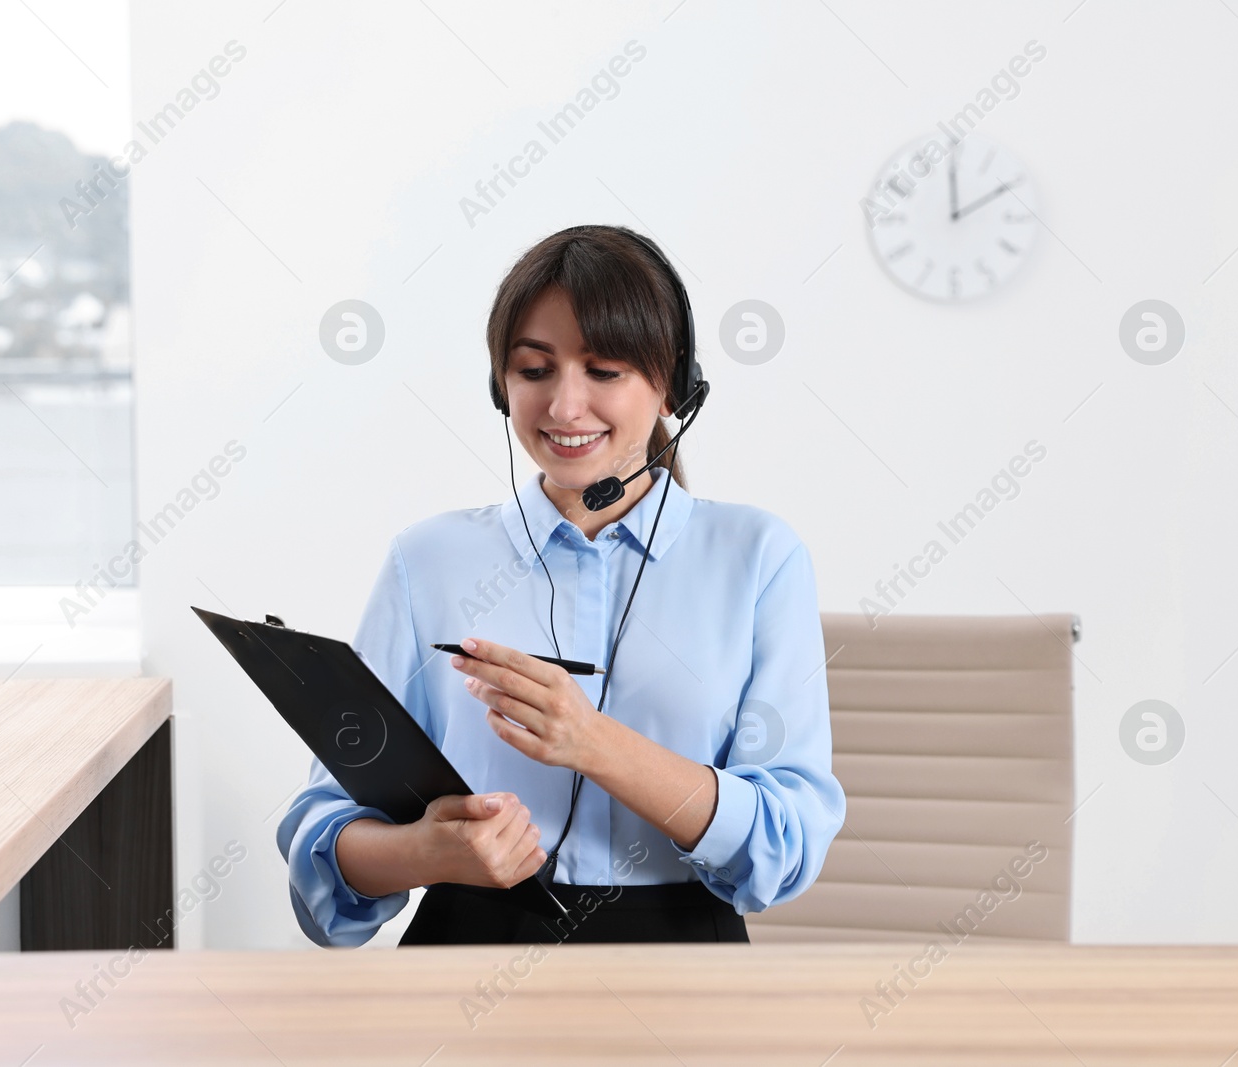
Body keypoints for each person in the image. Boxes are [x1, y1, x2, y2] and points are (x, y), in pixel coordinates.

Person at [277, 224, 845, 947]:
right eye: (534, 370)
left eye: (604, 371)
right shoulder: (428, 559)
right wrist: (427, 851)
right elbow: (322, 833)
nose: (564, 407)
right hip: (468, 944)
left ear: (670, 382)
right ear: (500, 384)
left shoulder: (760, 557)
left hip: (684, 956)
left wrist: (595, 742)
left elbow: (786, 846)